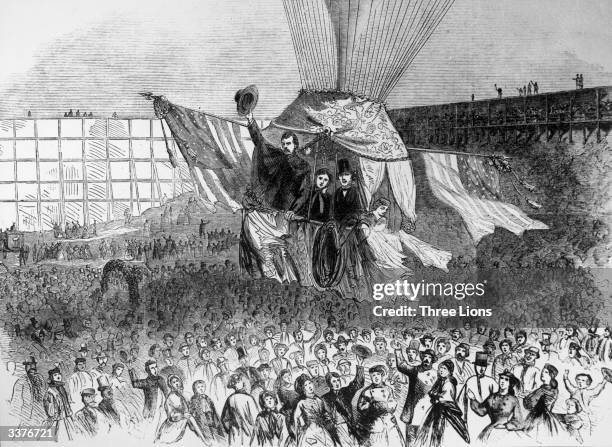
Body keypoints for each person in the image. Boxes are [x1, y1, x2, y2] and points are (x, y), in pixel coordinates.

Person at [414, 359, 470, 447]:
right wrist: (435, 396)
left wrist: (436, 397)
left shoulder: (449, 383)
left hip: (446, 412)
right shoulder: (440, 381)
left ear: (449, 371)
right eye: (440, 368)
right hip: (437, 410)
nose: (441, 370)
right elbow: (432, 393)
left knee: (441, 434)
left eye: (444, 368)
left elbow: (445, 398)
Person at [321, 356, 365, 446]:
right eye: (334, 381)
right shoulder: (325, 398)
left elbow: (357, 384)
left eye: (338, 380)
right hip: (338, 428)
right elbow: (326, 417)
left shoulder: (344, 392)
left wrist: (360, 366)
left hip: (350, 425)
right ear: (329, 383)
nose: (337, 383)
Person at [469, 370, 523, 442]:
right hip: (491, 430)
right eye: (501, 378)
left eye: (506, 380)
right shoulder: (492, 397)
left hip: (506, 431)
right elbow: (481, 411)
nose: (503, 381)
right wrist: (473, 398)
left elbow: (518, 420)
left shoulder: (513, 399)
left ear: (510, 383)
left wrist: (505, 426)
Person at [356, 365, 404, 447]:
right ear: (371, 377)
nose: (376, 377)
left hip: (388, 422)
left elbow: (392, 404)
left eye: (378, 374)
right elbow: (360, 407)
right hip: (374, 423)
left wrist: (387, 406)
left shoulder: (388, 389)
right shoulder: (366, 391)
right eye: (373, 375)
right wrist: (371, 405)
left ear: (382, 376)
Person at [155, 375, 207, 444]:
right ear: (170, 385)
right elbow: (171, 416)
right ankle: (204, 441)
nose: (176, 383)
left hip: (189, 421)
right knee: (190, 418)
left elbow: (193, 406)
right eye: (174, 382)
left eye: (177, 381)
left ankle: (204, 438)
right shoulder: (170, 398)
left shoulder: (187, 394)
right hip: (176, 423)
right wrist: (182, 415)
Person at [293, 374, 339, 447]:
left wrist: (330, 421)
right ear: (302, 388)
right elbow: (297, 422)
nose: (309, 386)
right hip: (310, 433)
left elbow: (325, 415)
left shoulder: (319, 400)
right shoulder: (301, 403)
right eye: (306, 385)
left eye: (310, 383)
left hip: (322, 430)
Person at [523, 363, 565, 438]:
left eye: (546, 372)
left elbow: (530, 405)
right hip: (538, 416)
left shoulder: (546, 390)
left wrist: (526, 397)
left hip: (540, 418)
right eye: (542, 371)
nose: (542, 373)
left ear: (551, 375)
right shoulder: (544, 389)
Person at [221, 373, 260, 447]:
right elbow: (225, 418)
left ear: (242, 382)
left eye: (238, 382)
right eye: (235, 383)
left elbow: (255, 417)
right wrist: (232, 429)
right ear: (232, 385)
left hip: (249, 431)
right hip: (236, 432)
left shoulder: (249, 398)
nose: (237, 385)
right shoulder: (230, 399)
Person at [10, 356, 47, 425]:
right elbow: (15, 403)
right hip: (27, 417)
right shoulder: (21, 382)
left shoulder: (40, 379)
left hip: (41, 416)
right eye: (28, 365)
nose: (31, 367)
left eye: (33, 364)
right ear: (25, 367)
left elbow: (45, 396)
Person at [43, 366, 77, 441]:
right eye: (55, 375)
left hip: (66, 416)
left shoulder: (61, 387)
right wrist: (53, 414)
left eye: (58, 374)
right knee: (57, 435)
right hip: (56, 418)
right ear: (51, 378)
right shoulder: (50, 391)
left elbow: (66, 402)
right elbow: (48, 404)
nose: (58, 376)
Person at [189, 380, 226, 444]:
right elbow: (192, 410)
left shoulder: (207, 397)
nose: (201, 388)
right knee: (207, 434)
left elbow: (213, 408)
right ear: (195, 389)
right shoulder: (194, 399)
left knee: (216, 432)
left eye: (202, 386)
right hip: (202, 419)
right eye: (198, 387)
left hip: (210, 417)